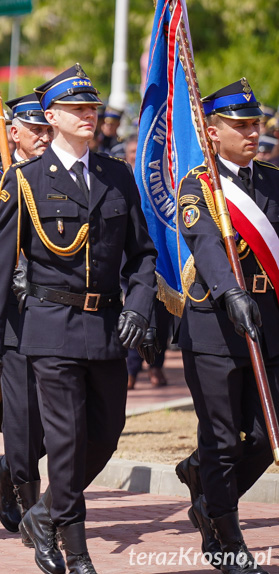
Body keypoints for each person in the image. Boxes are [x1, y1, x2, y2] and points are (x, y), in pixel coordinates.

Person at [0, 65, 157, 574]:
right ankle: (76, 552)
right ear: (50, 117)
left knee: (107, 432)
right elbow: (1, 266)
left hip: (107, 327)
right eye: (76, 108)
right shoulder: (25, 181)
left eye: (90, 106)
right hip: (50, 328)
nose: (87, 114)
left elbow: (142, 255)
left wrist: (141, 304)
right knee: (68, 442)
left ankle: (45, 511)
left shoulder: (116, 174)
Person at [173, 79, 278, 574]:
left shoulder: (274, 181)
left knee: (264, 437)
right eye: (241, 125)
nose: (253, 132)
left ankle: (206, 487)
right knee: (220, 437)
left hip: (270, 326)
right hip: (215, 328)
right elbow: (207, 245)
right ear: (213, 132)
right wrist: (230, 292)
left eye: (255, 123)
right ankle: (225, 536)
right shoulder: (198, 184)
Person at [0, 93, 53, 529]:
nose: (42, 136)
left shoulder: (62, 174)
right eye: (34, 129)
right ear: (13, 132)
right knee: (21, 422)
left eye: (47, 128)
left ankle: (7, 467)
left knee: (53, 423)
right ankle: (26, 495)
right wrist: (19, 266)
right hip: (17, 319)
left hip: (61, 313)